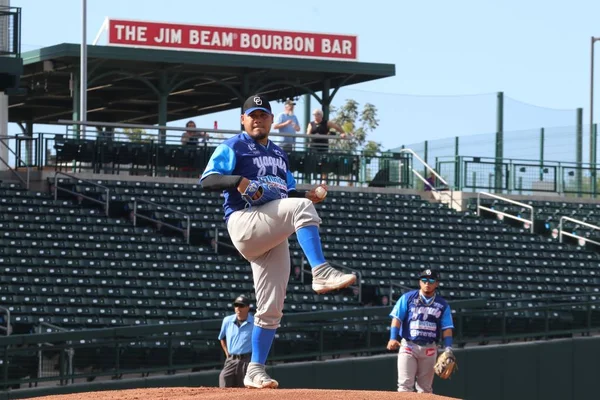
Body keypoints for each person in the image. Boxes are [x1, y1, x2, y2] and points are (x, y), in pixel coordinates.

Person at [200, 94, 356, 389]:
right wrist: (238, 181)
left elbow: (289, 196)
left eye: (263, 115)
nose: (258, 119)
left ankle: (254, 370)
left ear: (271, 119)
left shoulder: (280, 155)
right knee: (300, 210)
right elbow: (208, 179)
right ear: (243, 120)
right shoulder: (233, 146)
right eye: (252, 115)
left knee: (272, 307)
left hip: (270, 228)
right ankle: (320, 272)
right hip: (244, 222)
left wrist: (309, 195)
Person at [386, 269, 454, 393]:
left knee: (425, 389)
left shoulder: (443, 304)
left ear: (436, 283)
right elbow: (397, 319)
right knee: (404, 386)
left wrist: (448, 348)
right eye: (424, 280)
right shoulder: (407, 298)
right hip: (408, 346)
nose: (427, 283)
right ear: (419, 282)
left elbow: (447, 328)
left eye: (431, 280)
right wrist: (393, 337)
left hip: (429, 349)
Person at [218, 295, 254, 388]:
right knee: (224, 379)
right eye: (236, 305)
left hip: (247, 360)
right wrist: (226, 352)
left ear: (248, 307)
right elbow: (222, 338)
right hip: (231, 360)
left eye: (241, 306)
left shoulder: (255, 322)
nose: (238, 308)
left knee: (244, 389)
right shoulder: (227, 321)